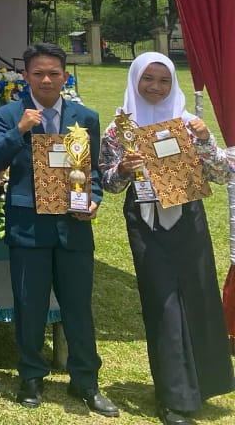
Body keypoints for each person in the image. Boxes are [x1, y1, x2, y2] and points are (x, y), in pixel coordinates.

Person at [99, 53, 233, 425]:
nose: (155, 87)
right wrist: (123, 169)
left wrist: (205, 141)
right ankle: (173, 398)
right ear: (134, 79)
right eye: (148, 79)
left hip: (188, 219)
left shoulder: (189, 125)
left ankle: (203, 384)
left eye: (164, 80)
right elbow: (108, 183)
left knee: (198, 296)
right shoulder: (119, 129)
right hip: (146, 223)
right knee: (163, 304)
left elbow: (224, 173)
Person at [0, 43, 119, 416]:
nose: (46, 80)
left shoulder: (86, 117)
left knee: (78, 307)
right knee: (30, 305)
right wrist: (19, 131)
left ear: (65, 77)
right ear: (25, 77)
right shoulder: (8, 114)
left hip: (72, 226)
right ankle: (31, 376)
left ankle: (86, 381)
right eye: (38, 73)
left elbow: (93, 171)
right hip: (29, 226)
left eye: (53, 73)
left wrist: (94, 199)